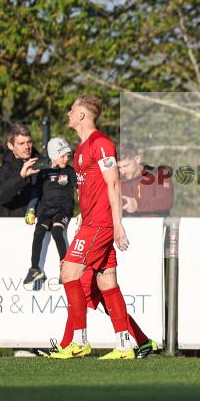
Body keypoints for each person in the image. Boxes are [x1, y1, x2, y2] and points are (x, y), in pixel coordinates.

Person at [47, 95, 154, 360]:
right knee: (107, 283)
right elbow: (90, 188)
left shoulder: (102, 144)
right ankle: (124, 346)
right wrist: (83, 214)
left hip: (101, 222)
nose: (68, 114)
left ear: (82, 115)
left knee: (69, 272)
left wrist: (117, 225)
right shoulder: (82, 149)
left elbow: (114, 184)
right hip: (91, 219)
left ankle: (79, 341)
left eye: (72, 109)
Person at [24, 138, 76, 286]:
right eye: (63, 155)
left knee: (57, 231)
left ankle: (65, 269)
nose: (66, 159)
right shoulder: (43, 173)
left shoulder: (69, 171)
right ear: (54, 156)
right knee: (38, 232)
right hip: (46, 210)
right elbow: (36, 192)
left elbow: (79, 189)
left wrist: (84, 211)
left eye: (68, 155)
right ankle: (35, 269)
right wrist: (31, 209)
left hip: (63, 209)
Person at [0, 124, 41, 217]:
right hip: (13, 227)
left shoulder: (42, 166)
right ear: (10, 145)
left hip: (40, 226)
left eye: (29, 142)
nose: (27, 147)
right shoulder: (3, 171)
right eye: (21, 143)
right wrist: (20, 177)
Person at [118, 145, 174, 218]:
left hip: (156, 227)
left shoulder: (160, 175)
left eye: (126, 166)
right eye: (119, 167)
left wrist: (137, 204)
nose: (122, 171)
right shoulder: (118, 181)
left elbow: (166, 201)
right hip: (127, 228)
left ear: (137, 159)